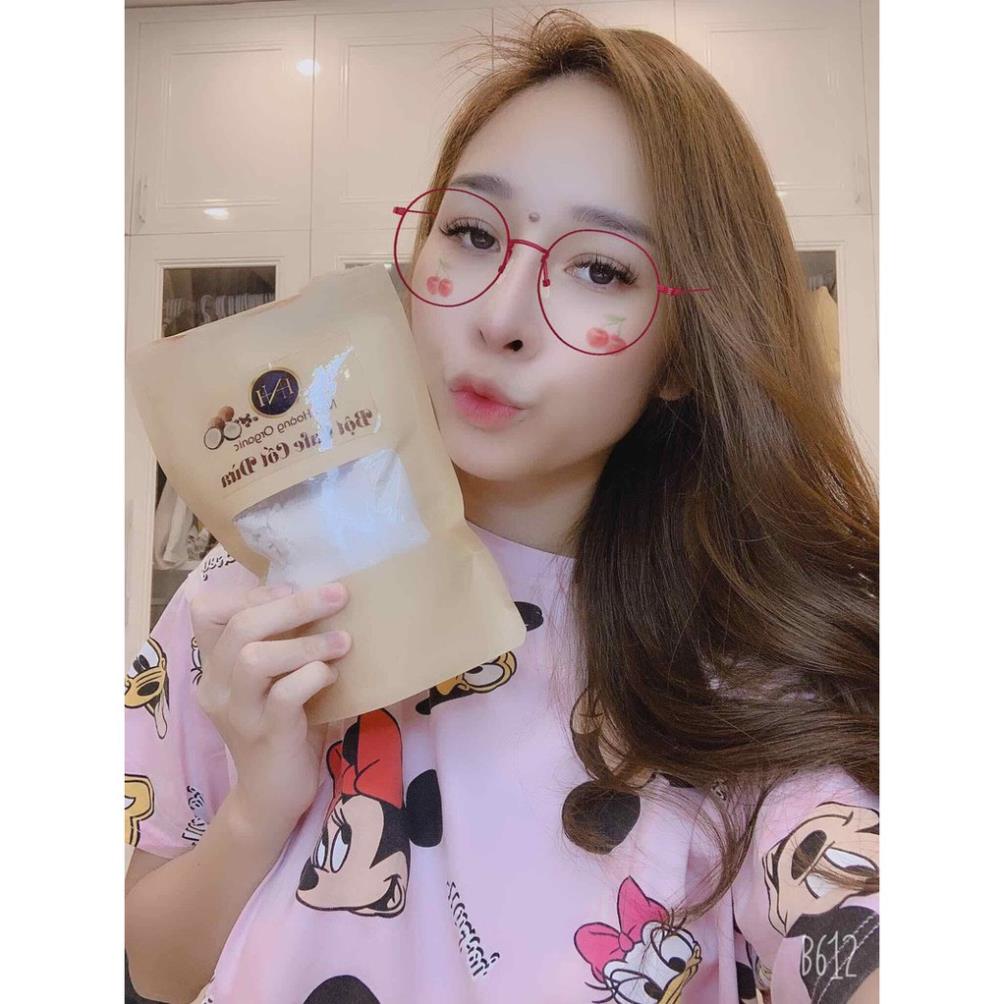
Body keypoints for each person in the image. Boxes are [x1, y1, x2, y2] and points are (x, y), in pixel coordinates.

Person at [124, 10, 879, 1004]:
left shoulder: (739, 669)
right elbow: (153, 967)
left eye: (601, 269)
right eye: (473, 233)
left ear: (682, 359)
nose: (500, 316)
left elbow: (846, 913)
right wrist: (258, 807)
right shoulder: (252, 599)